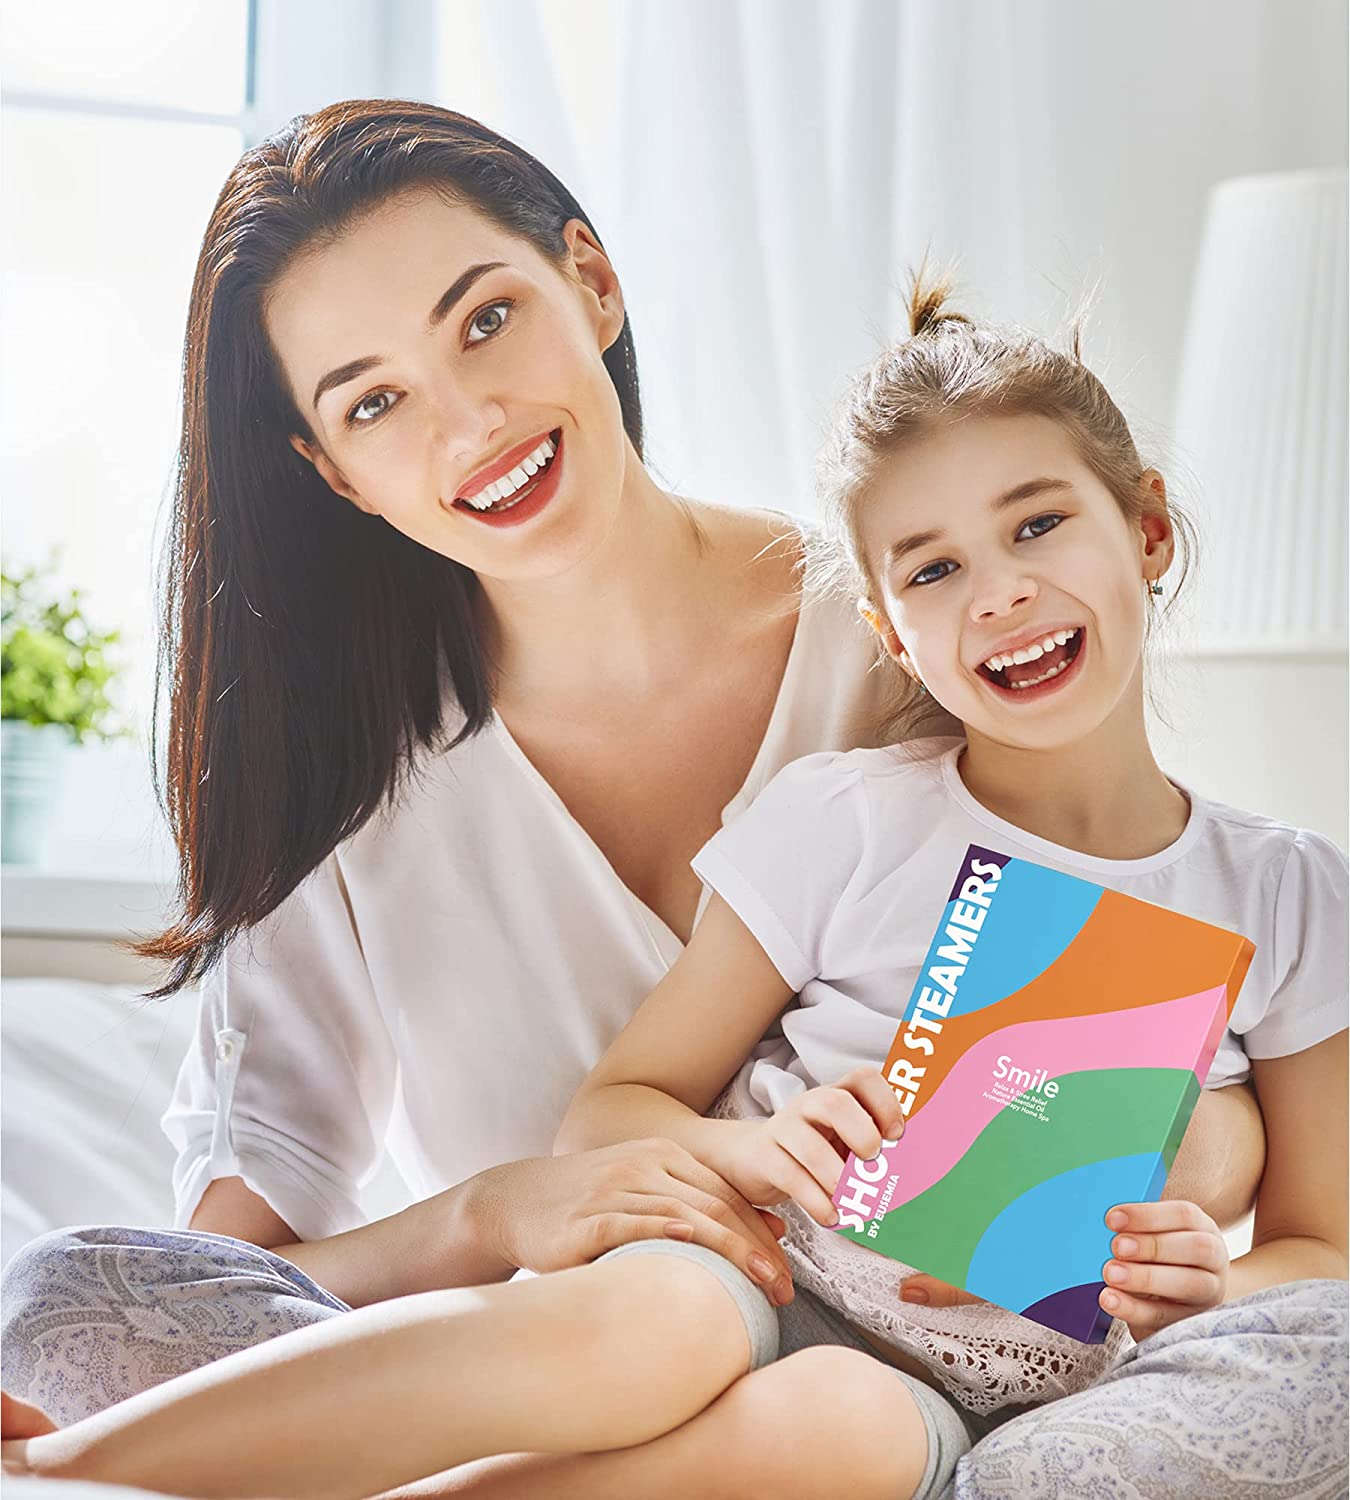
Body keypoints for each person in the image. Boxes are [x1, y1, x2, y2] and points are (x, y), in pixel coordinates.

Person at [4, 271, 1340, 1499]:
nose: (996, 593)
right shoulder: (847, 818)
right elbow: (612, 1113)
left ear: (1147, 529)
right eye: (932, 568)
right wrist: (744, 1149)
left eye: (1037, 524)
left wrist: (1205, 1277)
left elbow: (1318, 1250)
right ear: (887, 630)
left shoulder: (1280, 890)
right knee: (653, 1324)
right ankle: (72, 1474)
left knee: (850, 1429)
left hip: (966, 1390)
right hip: (758, 1264)